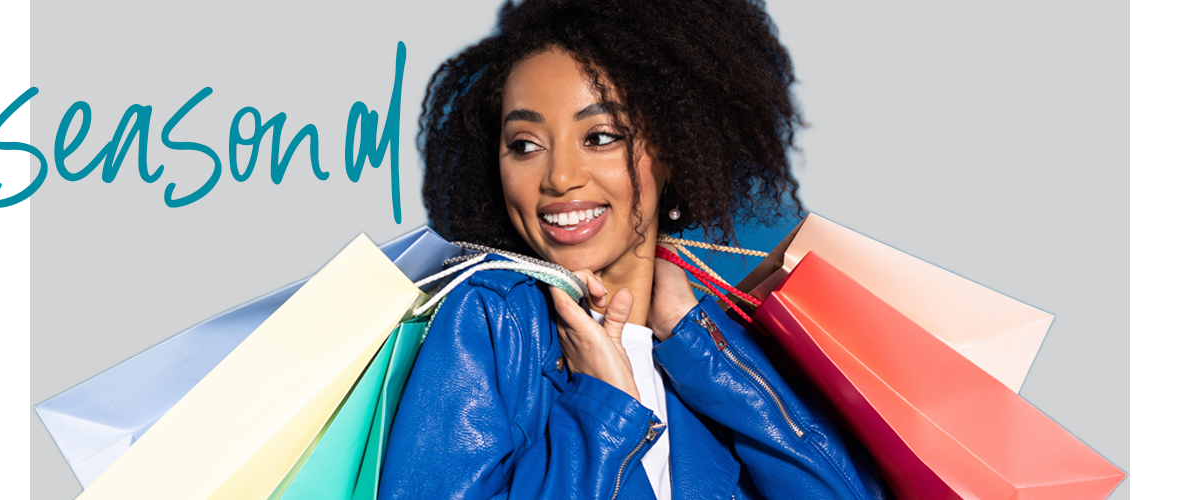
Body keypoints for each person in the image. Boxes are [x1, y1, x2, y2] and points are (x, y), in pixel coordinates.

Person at [379, 1, 887, 498]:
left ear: (675, 150)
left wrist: (700, 344)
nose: (559, 178)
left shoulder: (697, 356)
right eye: (525, 145)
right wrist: (600, 409)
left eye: (600, 137)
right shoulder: (494, 319)